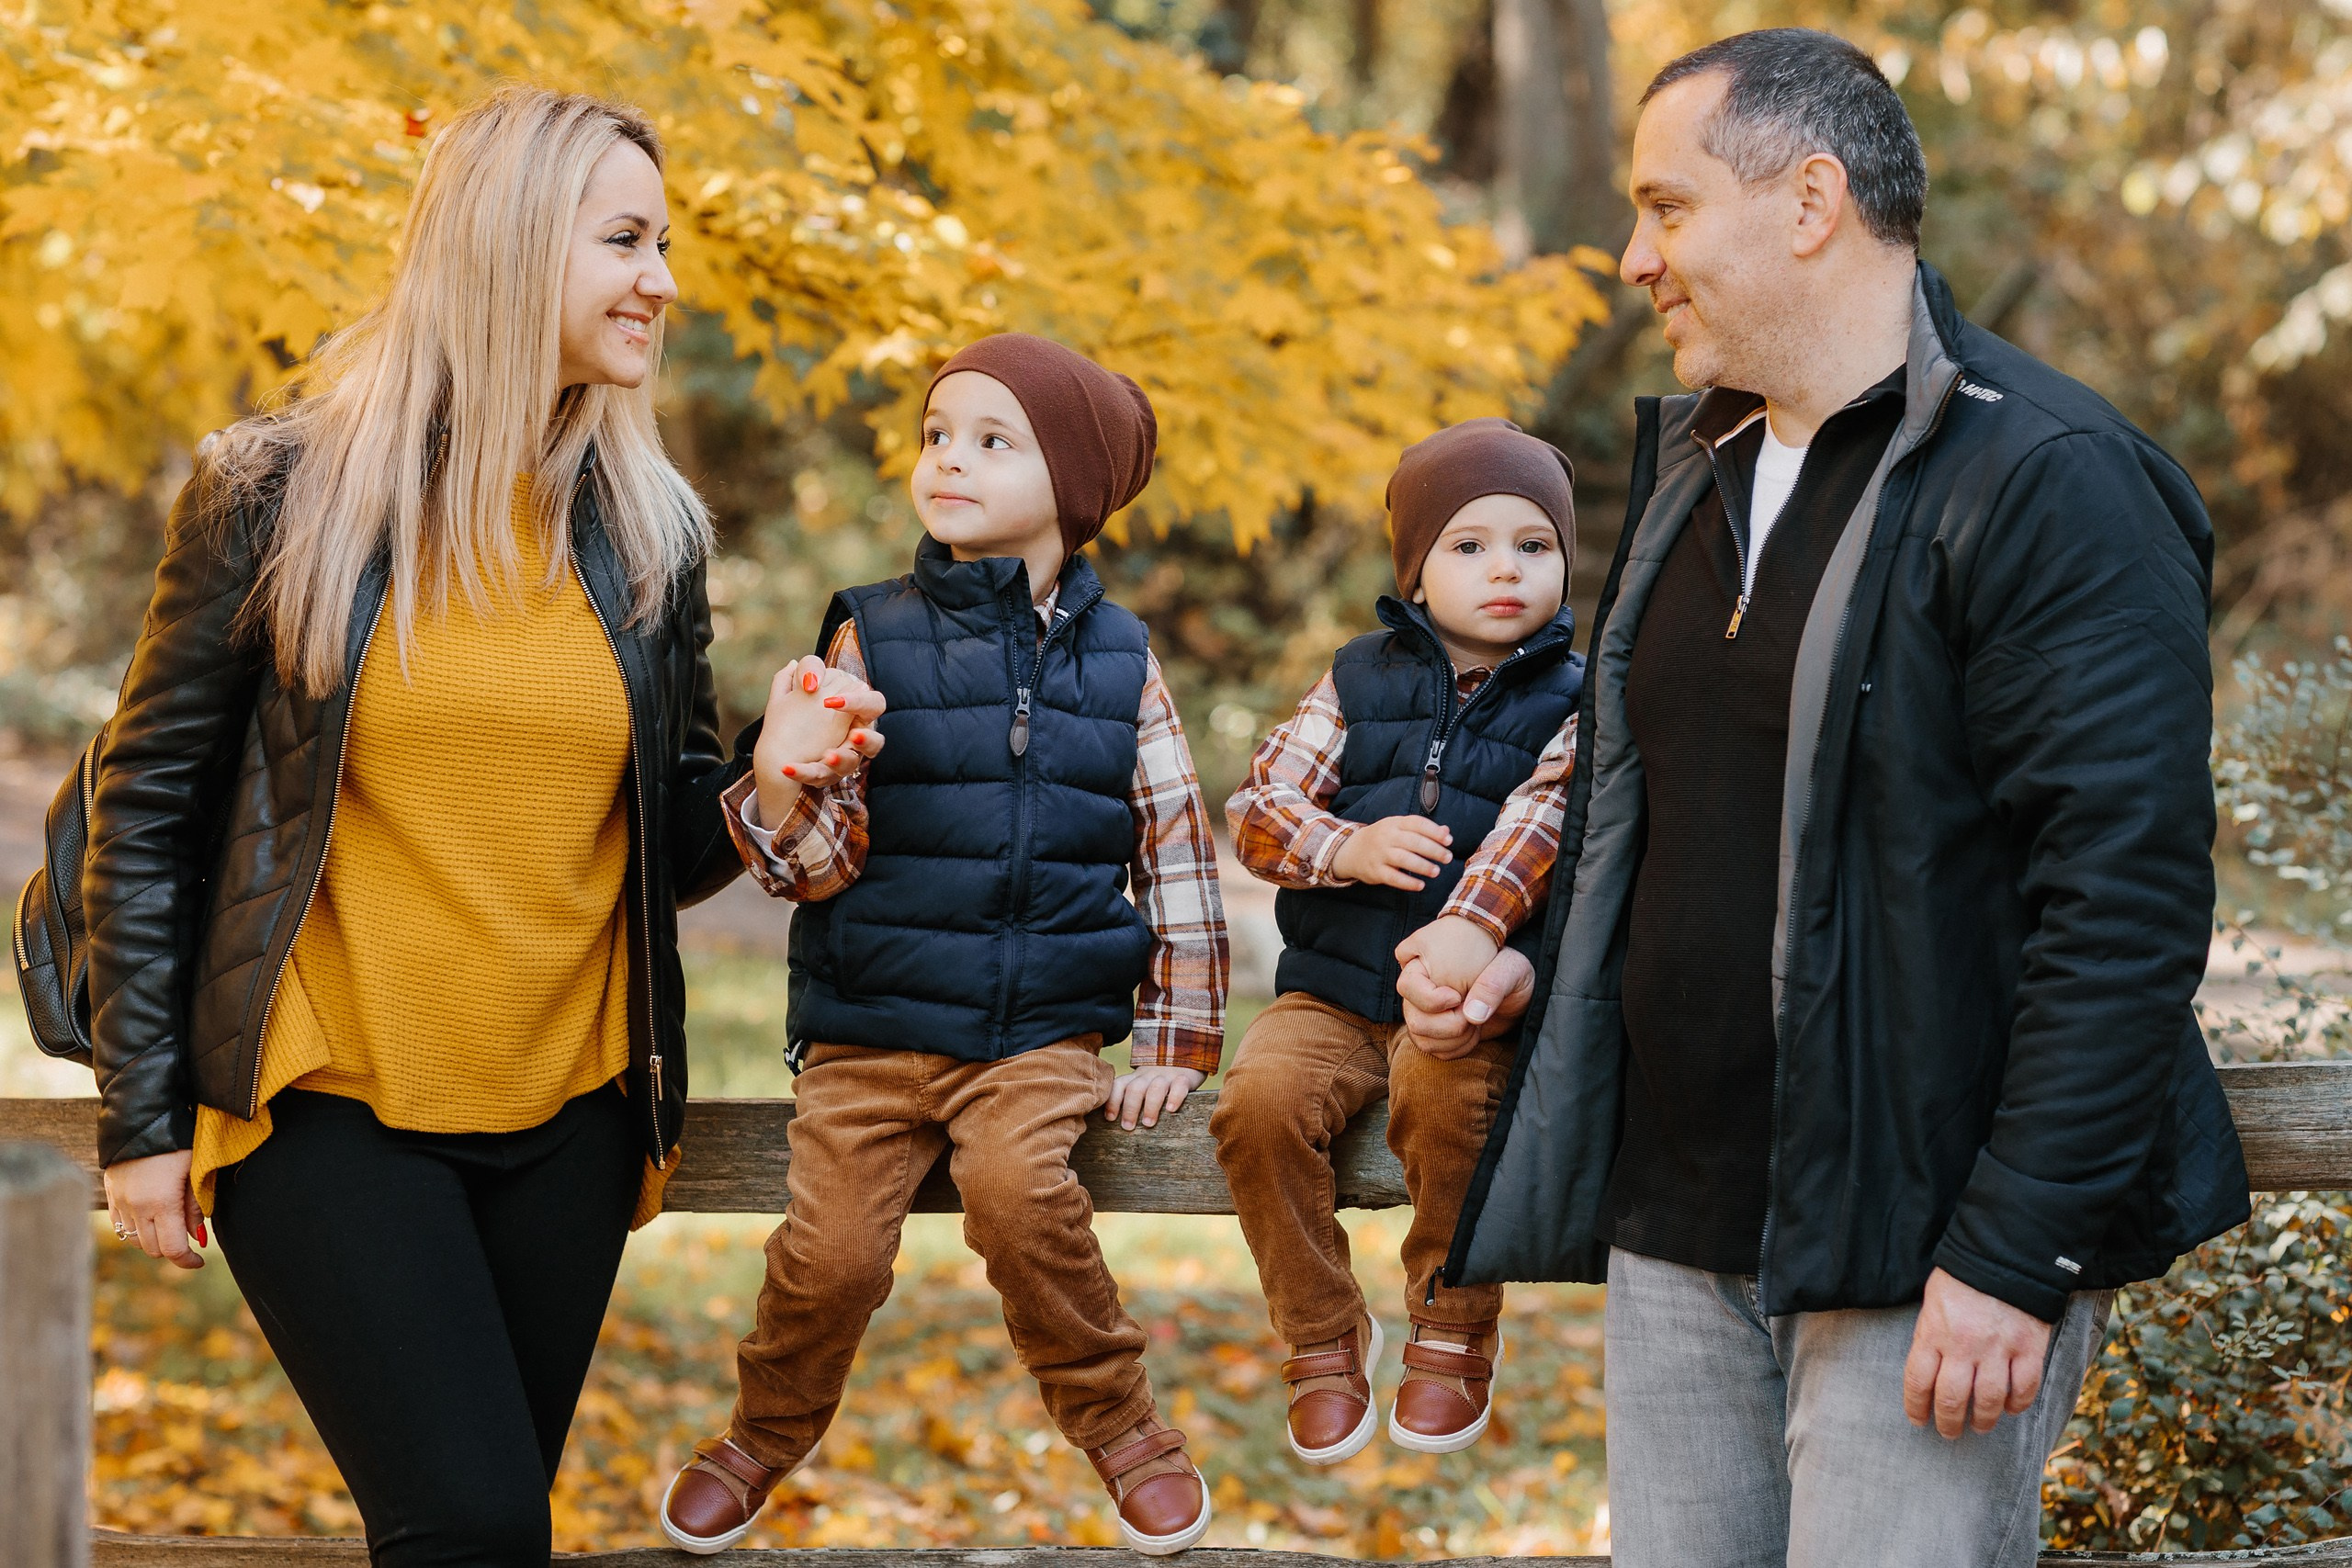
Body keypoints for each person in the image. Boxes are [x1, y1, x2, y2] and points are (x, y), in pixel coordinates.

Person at [1404, 29, 2250, 1568]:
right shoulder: (1700, 466)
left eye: (1665, 208)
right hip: (1675, 1227)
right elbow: (1663, 789)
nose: (1631, 255)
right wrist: (1555, 952)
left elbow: (2121, 903)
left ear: (1809, 201)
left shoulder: (2052, 477)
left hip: (1922, 1247)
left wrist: (2010, 1253)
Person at [82, 88, 805, 1563]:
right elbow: (146, 804)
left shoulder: (648, 527)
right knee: (472, 1521)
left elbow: (660, 847)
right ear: (506, 243)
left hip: (577, 1112)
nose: (662, 279)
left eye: (661, 241)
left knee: (474, 1535)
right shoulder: (278, 492)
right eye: (624, 239)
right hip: (328, 1093)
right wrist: (144, 1118)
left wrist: (769, 781)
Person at [660, 333, 1229, 1556]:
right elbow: (810, 865)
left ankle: (1122, 1422)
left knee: (1027, 1201)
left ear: (1071, 487)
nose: (947, 459)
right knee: (831, 1253)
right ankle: (767, 1425)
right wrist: (778, 775)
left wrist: (1180, 1035)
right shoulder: (870, 636)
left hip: (1036, 1034)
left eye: (990, 438)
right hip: (870, 1028)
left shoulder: (1123, 661)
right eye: (935, 434)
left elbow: (1175, 847)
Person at [1210, 419, 1581, 1467]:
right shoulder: (1355, 680)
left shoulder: (1578, 697)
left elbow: (1541, 830)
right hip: (1329, 989)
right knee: (1256, 1108)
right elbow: (1260, 807)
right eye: (1467, 546)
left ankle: (1452, 1320)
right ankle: (1322, 1334)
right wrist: (1350, 844)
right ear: (1415, 572)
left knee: (1450, 1106)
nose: (1504, 567)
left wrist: (1471, 927)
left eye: (1532, 545)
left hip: (1464, 1008)